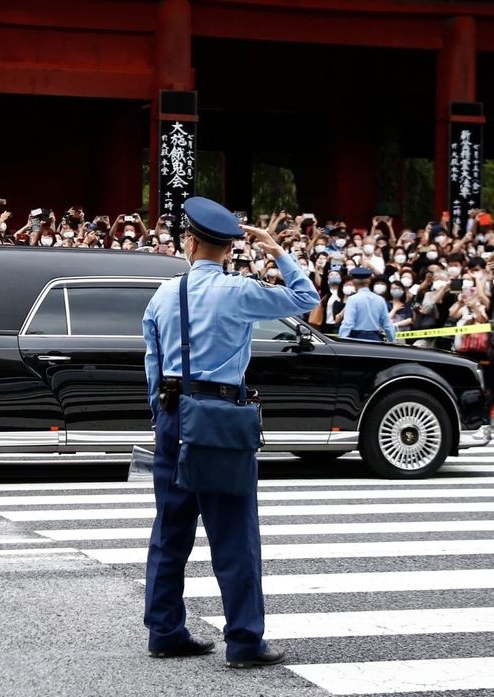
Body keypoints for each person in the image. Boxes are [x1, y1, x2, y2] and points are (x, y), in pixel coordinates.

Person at [142, 196, 319, 669]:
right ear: (228, 248)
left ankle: (165, 630)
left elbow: (152, 364)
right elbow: (306, 300)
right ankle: (243, 641)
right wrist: (277, 250)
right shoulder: (238, 290)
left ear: (191, 241)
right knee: (234, 534)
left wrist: (162, 417)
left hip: (173, 414)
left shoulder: (163, 294)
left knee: (170, 529)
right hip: (219, 414)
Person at [338, 267, 395, 342]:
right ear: (369, 281)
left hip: (356, 338)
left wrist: (342, 340)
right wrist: (392, 340)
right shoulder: (380, 300)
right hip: (375, 338)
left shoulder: (353, 299)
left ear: (354, 282)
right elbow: (387, 324)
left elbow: (348, 323)